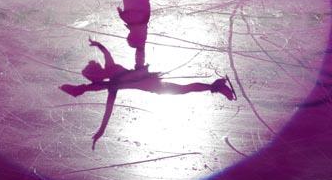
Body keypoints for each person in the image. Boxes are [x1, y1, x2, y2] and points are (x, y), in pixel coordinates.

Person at [60, 38, 236, 149]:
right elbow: (107, 107)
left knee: (184, 89)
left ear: (96, 74)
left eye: (93, 76)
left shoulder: (110, 76)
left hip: (150, 83)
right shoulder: (110, 74)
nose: (95, 79)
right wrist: (97, 45)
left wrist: (101, 130)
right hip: (150, 81)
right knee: (183, 89)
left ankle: (217, 86)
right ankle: (216, 86)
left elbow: (108, 109)